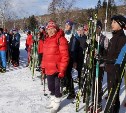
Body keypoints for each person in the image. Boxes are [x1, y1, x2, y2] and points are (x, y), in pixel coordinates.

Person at [41, 20, 69, 113]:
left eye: (52, 29)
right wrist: (43, 67)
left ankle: (56, 103)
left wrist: (62, 70)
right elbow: (44, 56)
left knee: (57, 88)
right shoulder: (47, 39)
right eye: (49, 29)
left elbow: (65, 56)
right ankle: (53, 101)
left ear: (56, 29)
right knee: (50, 87)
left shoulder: (61, 39)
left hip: (57, 69)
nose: (50, 31)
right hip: (48, 68)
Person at [105, 14, 126, 113]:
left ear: (121, 24)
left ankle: (114, 110)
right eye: (112, 22)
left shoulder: (122, 38)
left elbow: (119, 58)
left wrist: (106, 60)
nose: (111, 24)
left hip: (115, 70)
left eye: (114, 22)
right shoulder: (114, 37)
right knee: (111, 93)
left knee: (114, 94)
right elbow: (110, 54)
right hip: (110, 69)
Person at [64, 20, 80, 99]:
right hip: (64, 58)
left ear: (71, 26)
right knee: (65, 75)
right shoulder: (64, 35)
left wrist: (74, 61)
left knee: (69, 75)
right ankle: (67, 88)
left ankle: (72, 92)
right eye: (65, 25)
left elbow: (75, 50)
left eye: (68, 25)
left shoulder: (74, 36)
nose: (66, 26)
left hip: (70, 58)